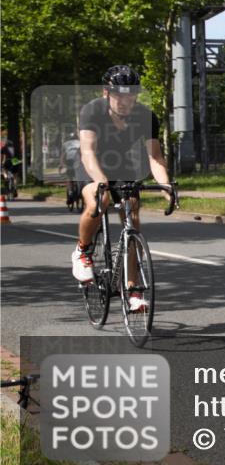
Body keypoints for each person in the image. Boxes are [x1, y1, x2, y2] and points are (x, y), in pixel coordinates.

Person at [71, 65, 172, 312]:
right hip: (91, 163)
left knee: (132, 216)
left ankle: (133, 290)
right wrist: (102, 183)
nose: (126, 100)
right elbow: (87, 152)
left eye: (131, 94)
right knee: (99, 201)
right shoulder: (92, 111)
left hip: (121, 164)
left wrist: (166, 186)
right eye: (120, 95)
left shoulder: (146, 116)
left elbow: (155, 158)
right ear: (107, 93)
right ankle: (82, 251)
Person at [0, 125, 17, 198]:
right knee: (16, 175)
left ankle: (6, 177)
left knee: (3, 169)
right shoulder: (11, 144)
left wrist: (2, 163)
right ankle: (15, 188)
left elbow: (3, 156)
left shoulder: (3, 146)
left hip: (7, 160)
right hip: (15, 160)